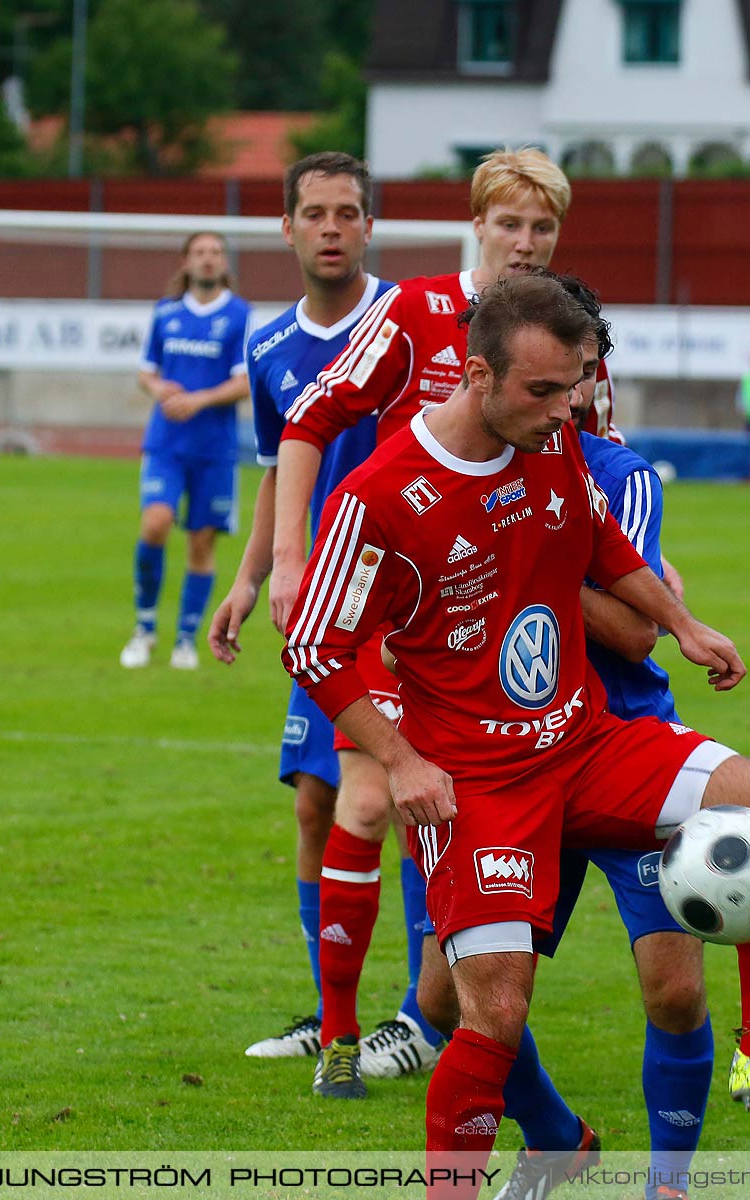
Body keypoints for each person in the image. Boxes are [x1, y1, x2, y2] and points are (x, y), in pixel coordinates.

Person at [283, 273, 750, 1199]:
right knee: (492, 1013)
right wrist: (401, 759)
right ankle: (533, 1152)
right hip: (476, 780)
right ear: (476, 373)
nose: (564, 408)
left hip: (590, 741)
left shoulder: (553, 442)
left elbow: (599, 539)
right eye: (543, 390)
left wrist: (682, 625)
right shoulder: (382, 496)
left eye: (573, 387)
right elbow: (313, 645)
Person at [262, 149, 596, 1099]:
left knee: (442, 819)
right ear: (477, 224)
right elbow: (311, 417)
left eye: (542, 229)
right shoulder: (413, 312)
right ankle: (337, 1035)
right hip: (389, 606)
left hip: (499, 632)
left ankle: (426, 1019)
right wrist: (287, 560)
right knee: (363, 801)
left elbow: (595, 467)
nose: (525, 244)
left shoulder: (570, 333)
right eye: (510, 225)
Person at [204, 152, 435, 1073]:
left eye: (348, 212)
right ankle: (328, 1008)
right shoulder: (267, 350)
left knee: (413, 804)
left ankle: (423, 1016)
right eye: (316, 213)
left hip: (410, 604)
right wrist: (251, 578)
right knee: (315, 805)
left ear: (370, 226)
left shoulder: (411, 323)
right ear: (288, 229)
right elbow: (278, 475)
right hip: (324, 607)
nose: (332, 227)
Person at [120, 232, 252, 671]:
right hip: (166, 443)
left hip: (214, 448)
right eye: (200, 253)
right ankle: (144, 628)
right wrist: (160, 388)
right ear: (186, 262)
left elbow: (244, 382)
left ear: (224, 261)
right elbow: (146, 371)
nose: (208, 260)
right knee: (155, 522)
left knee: (201, 543)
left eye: (216, 252)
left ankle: (185, 639)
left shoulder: (238, 315)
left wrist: (198, 399)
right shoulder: (166, 313)